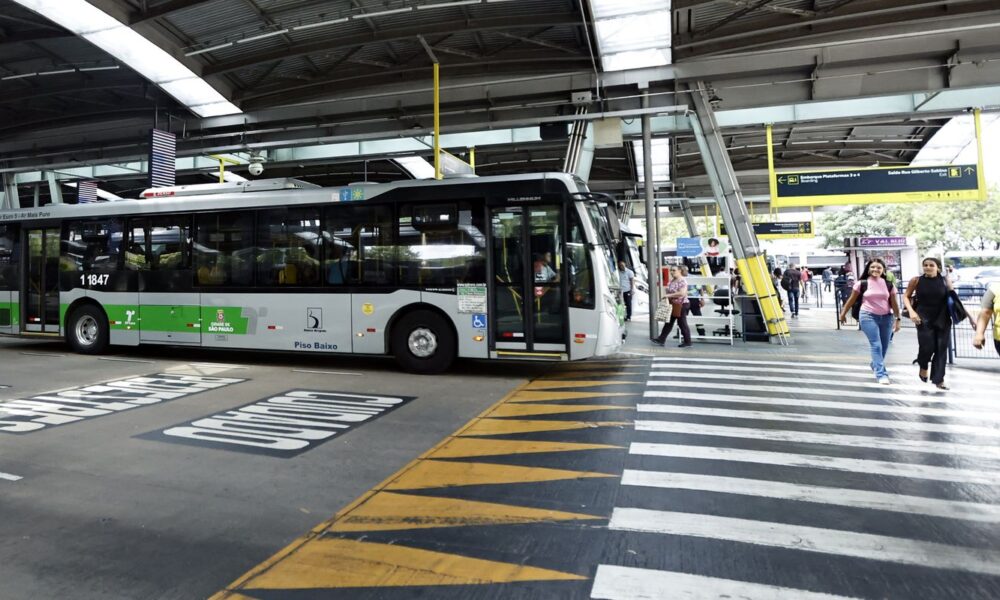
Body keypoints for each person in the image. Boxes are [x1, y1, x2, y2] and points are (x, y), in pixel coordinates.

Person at [839, 258, 902, 384]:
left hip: (886, 317)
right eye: (872, 267)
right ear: (868, 269)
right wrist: (843, 313)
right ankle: (881, 374)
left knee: (884, 346)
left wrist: (898, 319)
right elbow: (851, 300)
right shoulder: (862, 283)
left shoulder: (889, 284)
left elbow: (894, 303)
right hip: (868, 316)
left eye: (878, 267)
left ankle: (875, 364)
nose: (875, 270)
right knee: (876, 344)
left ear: (883, 270)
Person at [902, 257, 953, 389]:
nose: (928, 267)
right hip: (923, 317)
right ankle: (923, 365)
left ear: (938, 268)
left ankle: (939, 379)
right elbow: (906, 296)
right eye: (925, 265)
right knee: (927, 346)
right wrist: (912, 312)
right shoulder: (916, 280)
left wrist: (970, 318)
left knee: (941, 349)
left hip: (943, 317)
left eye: (931, 265)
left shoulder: (944, 280)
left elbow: (953, 298)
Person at [652, 265, 692, 347]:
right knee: (669, 322)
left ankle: (688, 341)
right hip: (674, 304)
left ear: (680, 271)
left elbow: (682, 293)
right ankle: (661, 339)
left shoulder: (682, 281)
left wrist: (668, 296)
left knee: (682, 323)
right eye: (671, 270)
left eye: (674, 270)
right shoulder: (672, 281)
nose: (672, 272)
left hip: (681, 304)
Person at [973, 281, 1000, 357]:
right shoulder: (994, 289)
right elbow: (985, 313)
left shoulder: (995, 289)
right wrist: (979, 334)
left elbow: (985, 313)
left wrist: (979, 334)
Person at [682, 265, 706, 336]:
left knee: (698, 316)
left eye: (683, 270)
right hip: (684, 300)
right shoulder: (679, 278)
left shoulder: (694, 278)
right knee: (682, 317)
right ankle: (681, 333)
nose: (683, 272)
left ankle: (701, 333)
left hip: (694, 300)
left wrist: (702, 299)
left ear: (687, 270)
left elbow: (700, 289)